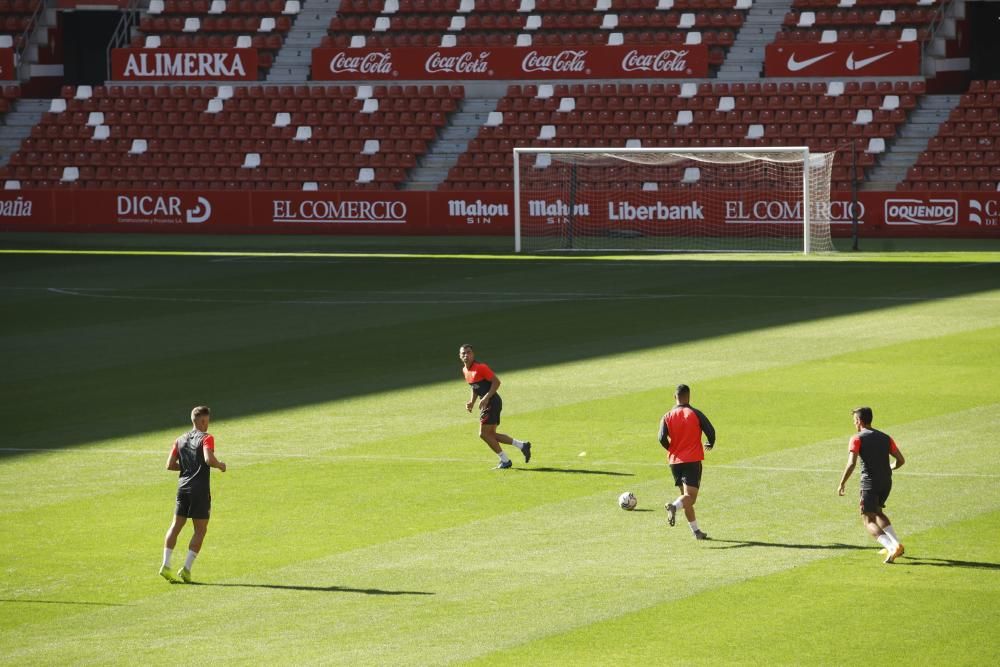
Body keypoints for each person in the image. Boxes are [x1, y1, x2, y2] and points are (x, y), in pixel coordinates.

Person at [159, 406, 226, 583]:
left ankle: (165, 564)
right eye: (207, 421)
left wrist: (188, 466)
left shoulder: (179, 439)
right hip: (200, 489)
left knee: (176, 526)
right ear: (202, 421)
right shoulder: (207, 438)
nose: (207, 424)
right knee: (200, 529)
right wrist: (220, 465)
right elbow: (208, 459)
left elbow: (169, 465)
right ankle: (186, 569)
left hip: (183, 487)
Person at [837, 406, 906, 564]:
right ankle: (896, 544)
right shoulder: (885, 437)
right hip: (886, 481)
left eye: (855, 421)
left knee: (867, 519)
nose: (854, 424)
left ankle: (891, 547)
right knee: (878, 512)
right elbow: (901, 460)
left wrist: (842, 483)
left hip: (869, 483)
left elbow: (851, 464)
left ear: (859, 421)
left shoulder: (857, 438)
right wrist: (889, 468)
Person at [460, 344, 531, 469]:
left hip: (492, 402)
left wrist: (486, 398)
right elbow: (475, 387)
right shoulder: (465, 371)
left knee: (483, 434)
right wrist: (472, 401)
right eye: (463, 353)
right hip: (489, 403)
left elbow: (496, 382)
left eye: (468, 352)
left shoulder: (481, 368)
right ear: (460, 356)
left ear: (473, 354)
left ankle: (505, 460)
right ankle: (522, 446)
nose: (466, 355)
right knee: (491, 434)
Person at [659, 384, 716, 540]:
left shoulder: (667, 415)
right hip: (691, 460)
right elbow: (710, 430)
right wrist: (710, 442)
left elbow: (661, 438)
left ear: (675, 397)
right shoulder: (694, 413)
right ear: (688, 396)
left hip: (674, 462)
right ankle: (673, 507)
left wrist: (672, 448)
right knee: (690, 498)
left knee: (685, 498)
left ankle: (696, 531)